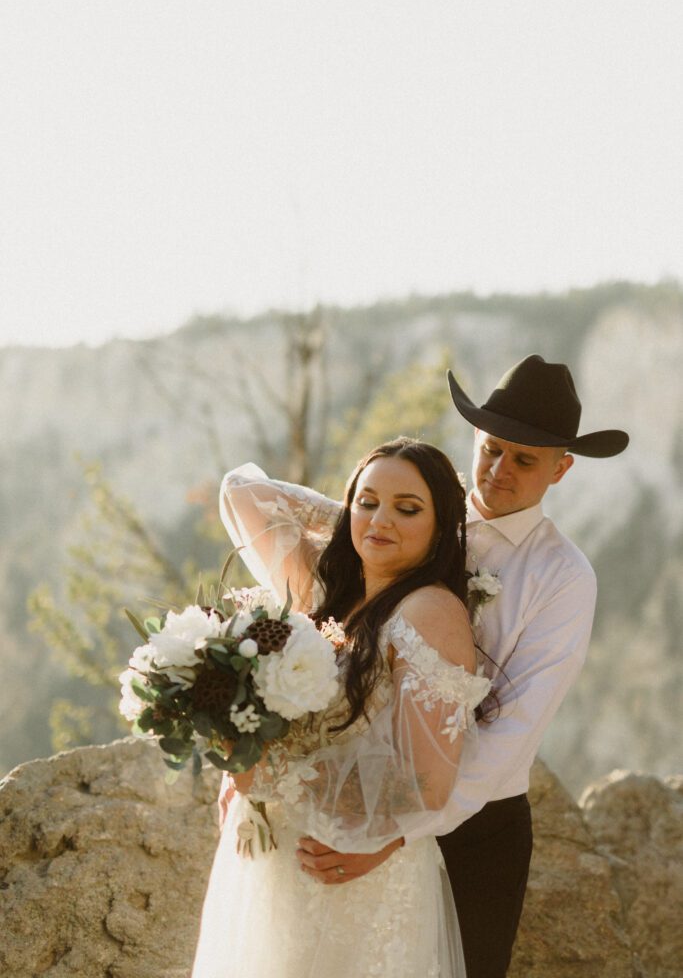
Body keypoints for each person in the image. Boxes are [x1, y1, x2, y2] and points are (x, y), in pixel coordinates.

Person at [278, 355, 629, 978]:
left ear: (562, 467)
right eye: (492, 449)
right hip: (367, 796)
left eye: (524, 460)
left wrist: (403, 828)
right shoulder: (416, 515)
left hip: (478, 825)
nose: (499, 470)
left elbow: (513, 731)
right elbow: (318, 531)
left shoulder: (564, 577)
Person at [191, 438, 491, 978]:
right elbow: (242, 491)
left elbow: (429, 784)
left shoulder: (430, 611)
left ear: (442, 524)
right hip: (279, 862)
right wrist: (360, 525)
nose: (382, 518)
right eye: (368, 500)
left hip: (355, 871)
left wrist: (275, 774)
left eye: (409, 508)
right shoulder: (328, 598)